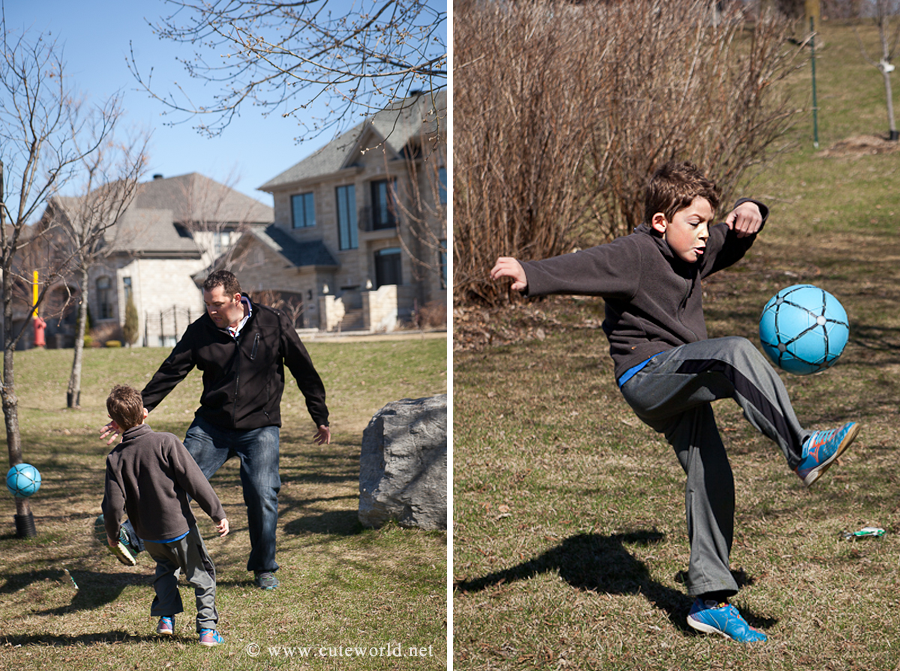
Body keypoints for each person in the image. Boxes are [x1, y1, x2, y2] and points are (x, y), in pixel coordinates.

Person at [490, 161, 860, 643]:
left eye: (707, 222)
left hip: (681, 377)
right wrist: (530, 272)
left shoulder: (694, 250)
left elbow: (734, 233)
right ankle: (802, 448)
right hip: (647, 375)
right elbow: (585, 264)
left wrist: (752, 210)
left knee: (712, 474)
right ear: (661, 222)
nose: (706, 234)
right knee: (734, 353)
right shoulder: (637, 254)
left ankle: (709, 600)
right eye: (695, 223)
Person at [101, 270, 330, 591]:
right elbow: (171, 370)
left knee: (263, 494)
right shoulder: (202, 330)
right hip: (211, 427)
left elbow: (303, 368)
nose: (211, 310)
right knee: (168, 479)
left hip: (260, 427)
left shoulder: (273, 323)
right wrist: (137, 411)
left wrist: (319, 414)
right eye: (207, 303)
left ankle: (264, 567)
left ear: (237, 299)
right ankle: (134, 537)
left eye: (217, 304)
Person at [101, 384, 229, 646]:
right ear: (145, 413)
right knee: (202, 574)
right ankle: (207, 630)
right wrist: (217, 513)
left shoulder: (115, 458)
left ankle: (166, 619)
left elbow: (113, 506)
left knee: (164, 569)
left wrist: (114, 536)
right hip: (180, 529)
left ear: (114, 422)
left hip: (148, 535)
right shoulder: (167, 442)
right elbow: (196, 482)